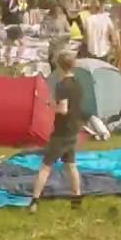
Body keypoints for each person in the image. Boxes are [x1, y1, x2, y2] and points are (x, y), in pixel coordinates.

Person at [28, 52, 83, 214]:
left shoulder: (62, 86)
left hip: (61, 132)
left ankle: (34, 201)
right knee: (71, 165)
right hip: (74, 129)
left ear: (59, 66)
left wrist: (50, 105)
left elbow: (63, 109)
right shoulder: (78, 83)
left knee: (45, 167)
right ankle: (76, 199)